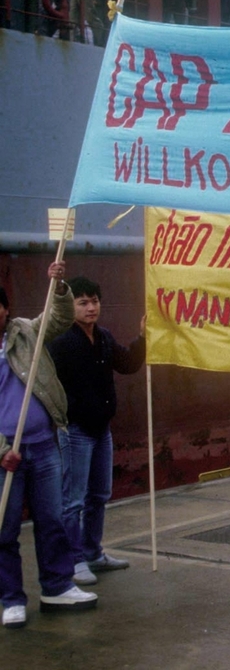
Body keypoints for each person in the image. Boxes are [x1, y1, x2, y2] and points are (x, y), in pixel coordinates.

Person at [2, 262, 98, 629]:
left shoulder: (27, 332)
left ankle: (56, 586)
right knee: (5, 528)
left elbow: (58, 319)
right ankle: (11, 598)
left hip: (44, 446)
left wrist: (59, 287)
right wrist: (1, 451)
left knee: (51, 520)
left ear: (5, 309)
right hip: (5, 455)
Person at [48, 277, 145, 587]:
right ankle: (74, 561)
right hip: (75, 431)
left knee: (99, 495)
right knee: (72, 501)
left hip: (102, 430)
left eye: (95, 301)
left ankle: (93, 552)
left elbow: (128, 363)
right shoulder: (61, 341)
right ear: (70, 306)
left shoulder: (103, 337)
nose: (91, 308)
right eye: (83, 302)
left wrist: (143, 338)